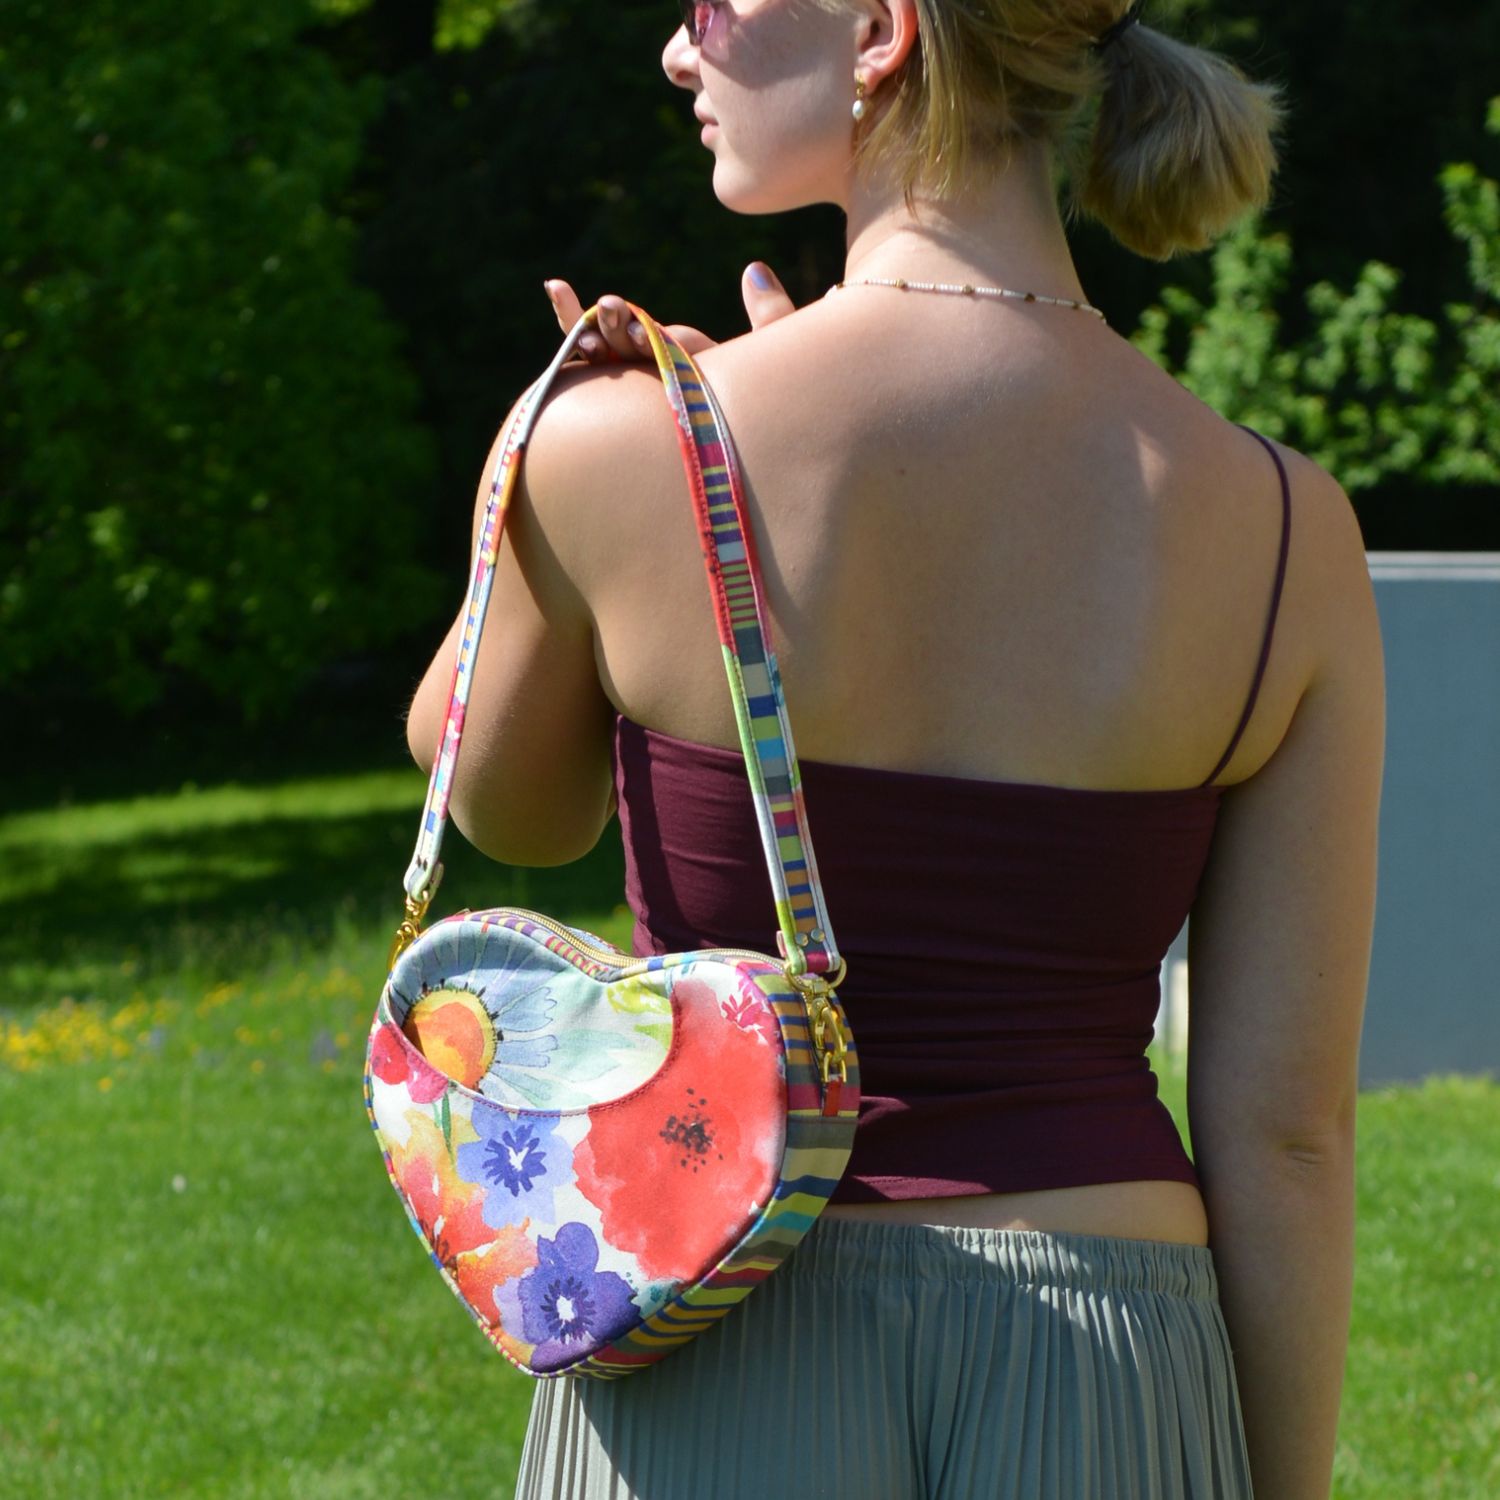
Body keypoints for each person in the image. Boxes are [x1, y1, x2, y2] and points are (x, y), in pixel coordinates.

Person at [403, 1, 1385, 1495]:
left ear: (877, 29)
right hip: (1110, 1365)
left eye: (713, 3)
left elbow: (506, 806)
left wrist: (539, 447)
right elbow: (1290, 1135)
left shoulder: (626, 447)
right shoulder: (1286, 529)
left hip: (719, 1329)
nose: (678, 48)